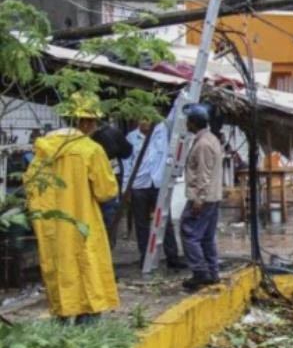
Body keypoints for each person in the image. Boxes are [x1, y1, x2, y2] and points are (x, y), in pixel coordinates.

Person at [25, 93, 119, 323]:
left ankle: (62, 328)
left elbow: (31, 187)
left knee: (59, 273)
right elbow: (106, 191)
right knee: (88, 272)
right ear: (85, 122)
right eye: (93, 122)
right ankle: (85, 333)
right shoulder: (90, 150)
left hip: (52, 227)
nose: (95, 127)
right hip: (83, 222)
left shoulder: (44, 149)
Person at [122, 118, 185, 269]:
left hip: (158, 183)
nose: (145, 122)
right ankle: (145, 256)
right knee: (141, 223)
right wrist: (126, 189)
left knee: (165, 220)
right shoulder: (131, 138)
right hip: (138, 185)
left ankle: (172, 257)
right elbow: (126, 165)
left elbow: (175, 115)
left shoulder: (162, 131)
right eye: (142, 119)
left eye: (148, 118)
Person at [180, 104, 224, 291]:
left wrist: (199, 199)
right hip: (212, 197)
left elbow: (203, 174)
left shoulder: (203, 144)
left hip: (203, 197)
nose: (186, 124)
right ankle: (212, 272)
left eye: (188, 120)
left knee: (189, 234)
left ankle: (201, 273)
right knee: (206, 236)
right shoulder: (210, 139)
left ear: (193, 123)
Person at [91, 121, 133, 248]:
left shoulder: (84, 137)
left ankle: (101, 241)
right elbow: (127, 152)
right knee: (111, 208)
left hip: (97, 174)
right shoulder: (114, 132)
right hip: (113, 174)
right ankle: (109, 242)